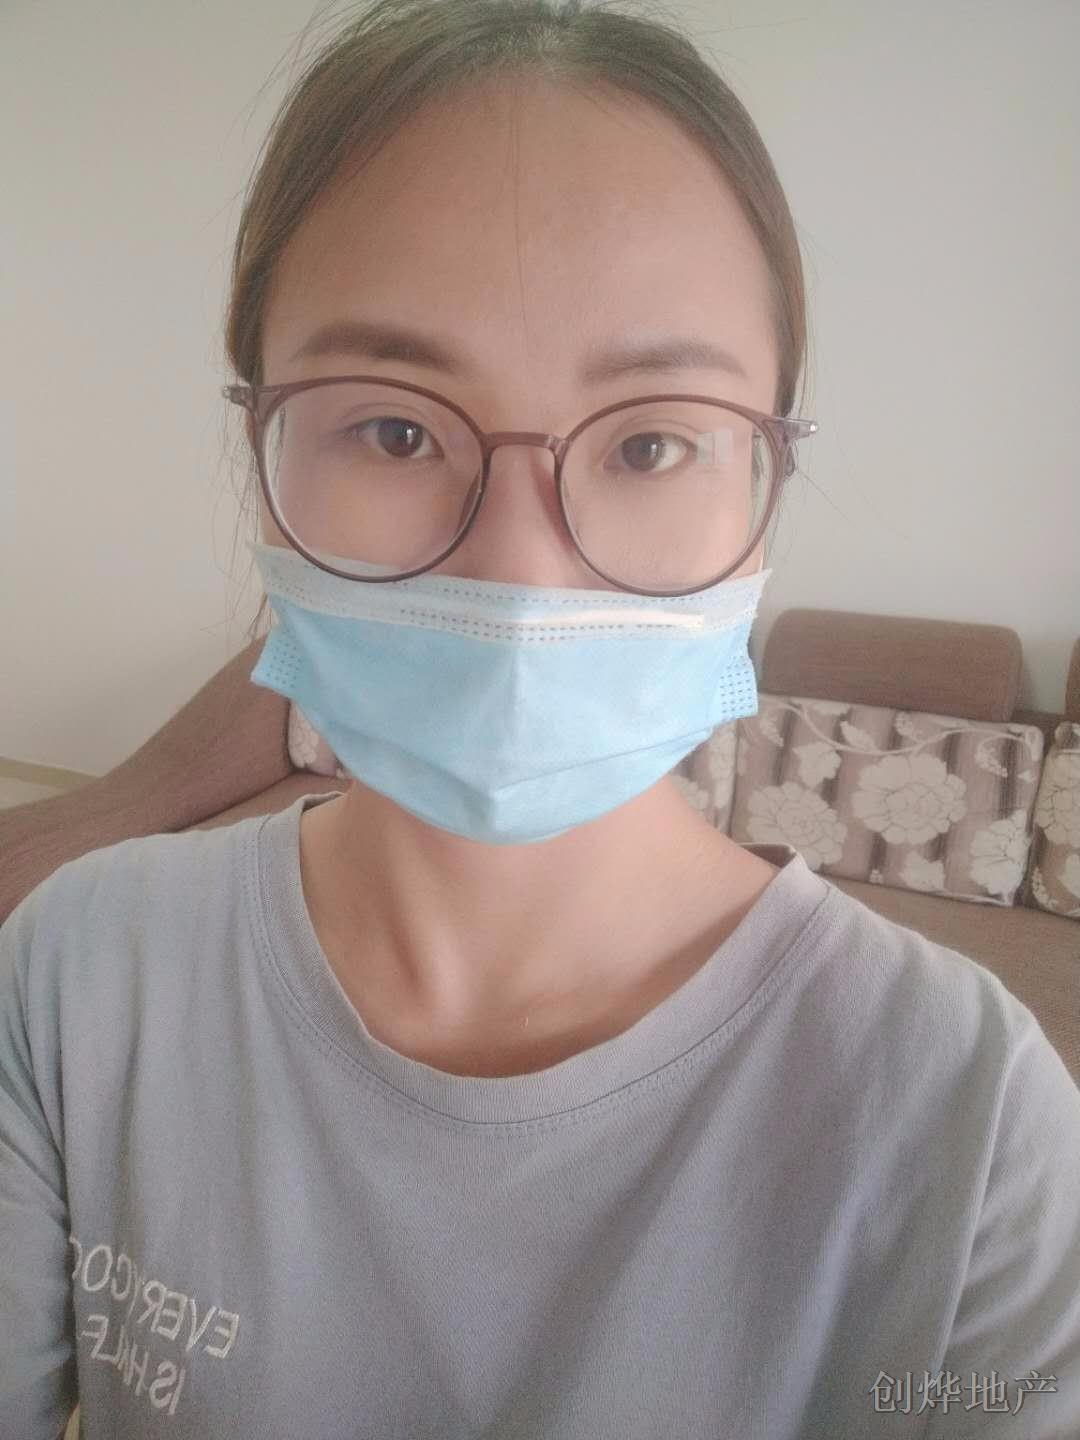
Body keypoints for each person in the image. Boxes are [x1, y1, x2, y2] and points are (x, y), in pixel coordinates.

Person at [2, 1, 1078, 1436]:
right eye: (395, 429)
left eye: (651, 442)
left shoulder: (971, 1123)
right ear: (263, 454)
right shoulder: (77, 978)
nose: (520, 573)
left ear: (767, 487)